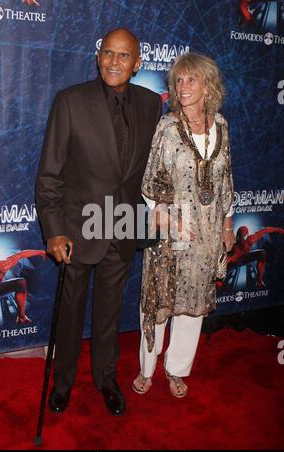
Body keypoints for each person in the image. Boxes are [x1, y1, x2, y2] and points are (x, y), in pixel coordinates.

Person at [36, 28, 162, 416]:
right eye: (108, 53)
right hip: (79, 225)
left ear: (137, 63)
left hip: (123, 222)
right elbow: (49, 175)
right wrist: (55, 230)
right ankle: (63, 382)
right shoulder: (71, 101)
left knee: (109, 309)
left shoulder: (151, 103)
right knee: (72, 310)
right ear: (98, 57)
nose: (114, 61)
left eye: (124, 56)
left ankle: (107, 379)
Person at [133, 52, 235, 398]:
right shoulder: (167, 127)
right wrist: (166, 212)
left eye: (191, 79)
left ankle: (176, 369)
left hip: (207, 235)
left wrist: (226, 223)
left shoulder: (220, 125)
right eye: (178, 80)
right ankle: (147, 368)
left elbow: (225, 182)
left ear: (209, 86)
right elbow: (151, 179)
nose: (183, 86)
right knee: (159, 304)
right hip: (171, 234)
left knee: (192, 310)